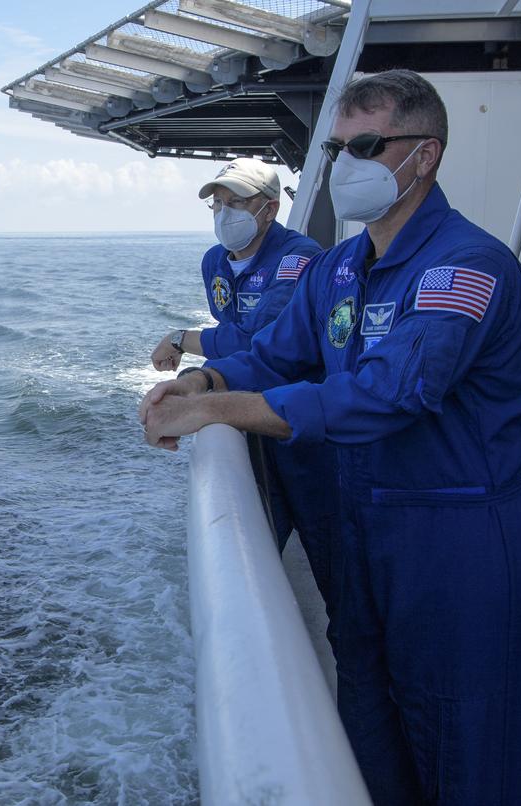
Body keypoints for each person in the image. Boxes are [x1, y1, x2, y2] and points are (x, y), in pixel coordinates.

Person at [139, 69, 521, 805]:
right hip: (366, 533)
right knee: (367, 731)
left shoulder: (465, 267)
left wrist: (222, 412)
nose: (345, 168)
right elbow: (273, 355)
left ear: (422, 156)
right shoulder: (339, 269)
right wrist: (203, 383)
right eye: (335, 151)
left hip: (458, 551)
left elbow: (391, 392)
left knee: (463, 755)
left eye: (365, 146)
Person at [151, 158, 341, 634]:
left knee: (329, 546)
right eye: (218, 203)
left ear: (269, 208)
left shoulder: (301, 258)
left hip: (304, 425)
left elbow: (263, 338)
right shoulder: (214, 261)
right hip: (246, 411)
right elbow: (235, 331)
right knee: (256, 534)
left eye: (237, 202)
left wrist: (183, 340)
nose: (224, 212)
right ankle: (250, 628)